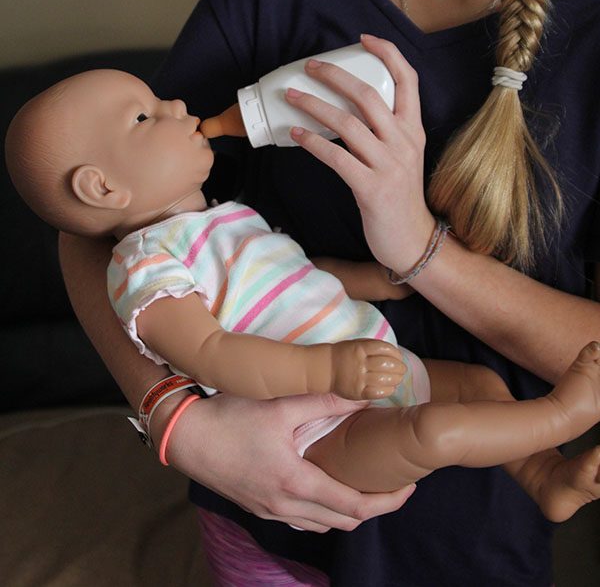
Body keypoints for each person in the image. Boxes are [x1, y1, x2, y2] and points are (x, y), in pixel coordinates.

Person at [56, 0, 600, 585]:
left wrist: (419, 250)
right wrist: (180, 424)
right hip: (261, 533)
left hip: (470, 548)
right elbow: (93, 220)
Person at [7, 66, 600, 521]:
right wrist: (324, 367)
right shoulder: (144, 270)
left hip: (368, 371)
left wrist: (371, 279)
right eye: (143, 117)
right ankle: (559, 415)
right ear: (102, 187)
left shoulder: (218, 219)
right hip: (318, 432)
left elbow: (285, 274)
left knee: (479, 386)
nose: (177, 106)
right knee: (437, 433)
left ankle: (545, 476)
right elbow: (211, 354)